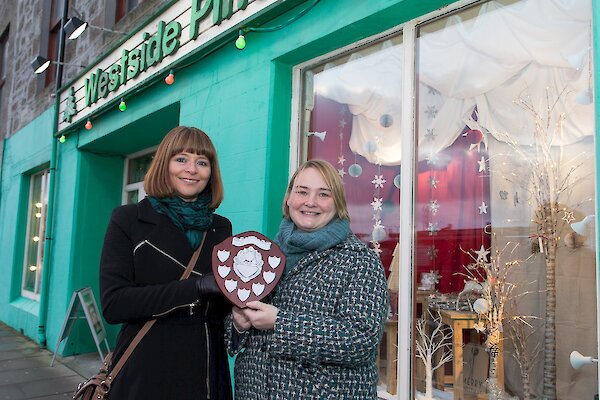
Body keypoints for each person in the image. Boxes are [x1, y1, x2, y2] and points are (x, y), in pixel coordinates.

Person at [226, 159, 389, 399]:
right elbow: (232, 330)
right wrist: (238, 324)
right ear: (289, 198)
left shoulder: (359, 259)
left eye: (323, 194)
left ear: (338, 203)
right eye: (302, 191)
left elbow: (361, 341)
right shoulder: (263, 255)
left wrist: (280, 322)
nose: (310, 202)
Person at [100, 126, 232, 400]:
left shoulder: (220, 227)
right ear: (165, 164)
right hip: (146, 367)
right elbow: (114, 304)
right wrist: (196, 287)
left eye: (202, 162)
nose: (192, 169)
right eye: (181, 159)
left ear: (211, 172)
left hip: (205, 368)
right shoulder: (128, 219)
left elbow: (220, 305)